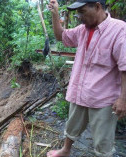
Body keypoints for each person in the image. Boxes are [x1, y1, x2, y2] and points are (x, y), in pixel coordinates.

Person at [46, 0, 126, 157]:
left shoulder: (119, 30)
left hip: (104, 98)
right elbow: (61, 36)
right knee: (72, 126)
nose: (79, 17)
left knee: (103, 141)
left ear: (97, 7)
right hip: (80, 90)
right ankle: (65, 150)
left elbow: (125, 67)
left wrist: (123, 99)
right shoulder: (83, 29)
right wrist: (55, 14)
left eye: (82, 12)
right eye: (78, 13)